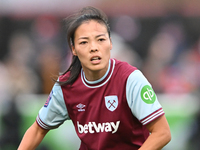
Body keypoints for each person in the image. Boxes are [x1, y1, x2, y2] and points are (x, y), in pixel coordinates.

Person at [18, 6, 171, 150]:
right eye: (84, 42)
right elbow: (38, 130)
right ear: (74, 49)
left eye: (100, 39)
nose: (94, 47)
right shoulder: (66, 86)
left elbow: (162, 133)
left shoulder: (130, 79)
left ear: (110, 43)